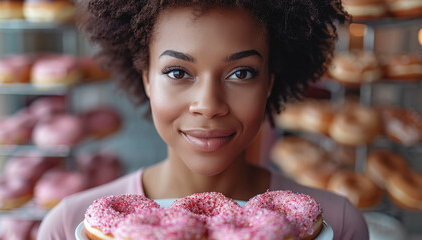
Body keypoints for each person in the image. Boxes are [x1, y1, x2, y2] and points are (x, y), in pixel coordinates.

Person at [38, 0, 369, 239]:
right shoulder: (70, 227)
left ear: (269, 82)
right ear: (147, 80)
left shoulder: (335, 225)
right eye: (178, 72)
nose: (209, 105)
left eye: (241, 73)